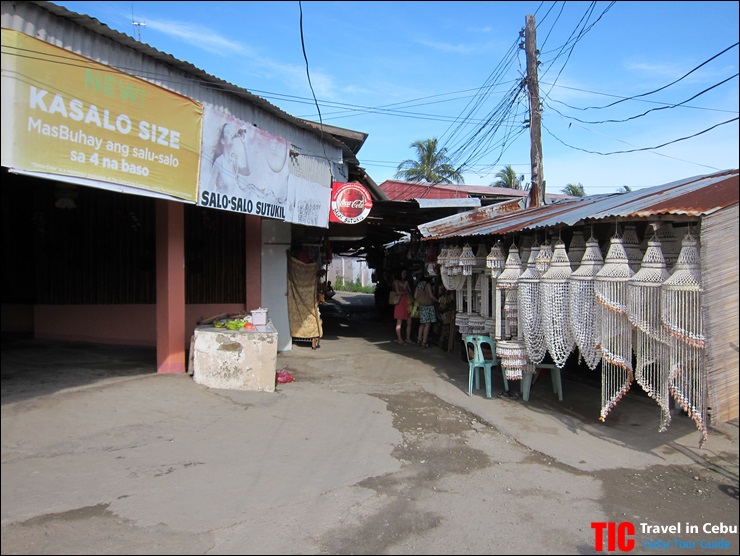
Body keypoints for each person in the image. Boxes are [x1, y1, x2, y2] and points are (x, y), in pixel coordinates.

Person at [210, 122, 251, 193]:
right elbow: (209, 190)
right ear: (223, 141)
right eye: (228, 132)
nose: (231, 134)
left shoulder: (234, 161)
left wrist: (244, 145)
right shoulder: (219, 161)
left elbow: (247, 171)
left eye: (231, 132)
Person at [415, 275, 439, 347]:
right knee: (427, 324)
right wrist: (438, 301)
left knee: (422, 324)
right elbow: (431, 296)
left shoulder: (419, 284)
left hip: (422, 306)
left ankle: (419, 340)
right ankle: (424, 342)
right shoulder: (428, 284)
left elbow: (415, 296)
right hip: (428, 306)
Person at [392, 269, 413, 345]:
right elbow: (397, 292)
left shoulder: (406, 282)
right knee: (399, 322)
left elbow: (410, 291)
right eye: (403, 273)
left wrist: (406, 291)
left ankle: (407, 338)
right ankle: (399, 339)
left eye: (405, 273)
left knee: (409, 322)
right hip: (400, 303)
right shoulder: (396, 282)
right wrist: (406, 292)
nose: (405, 275)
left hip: (407, 303)